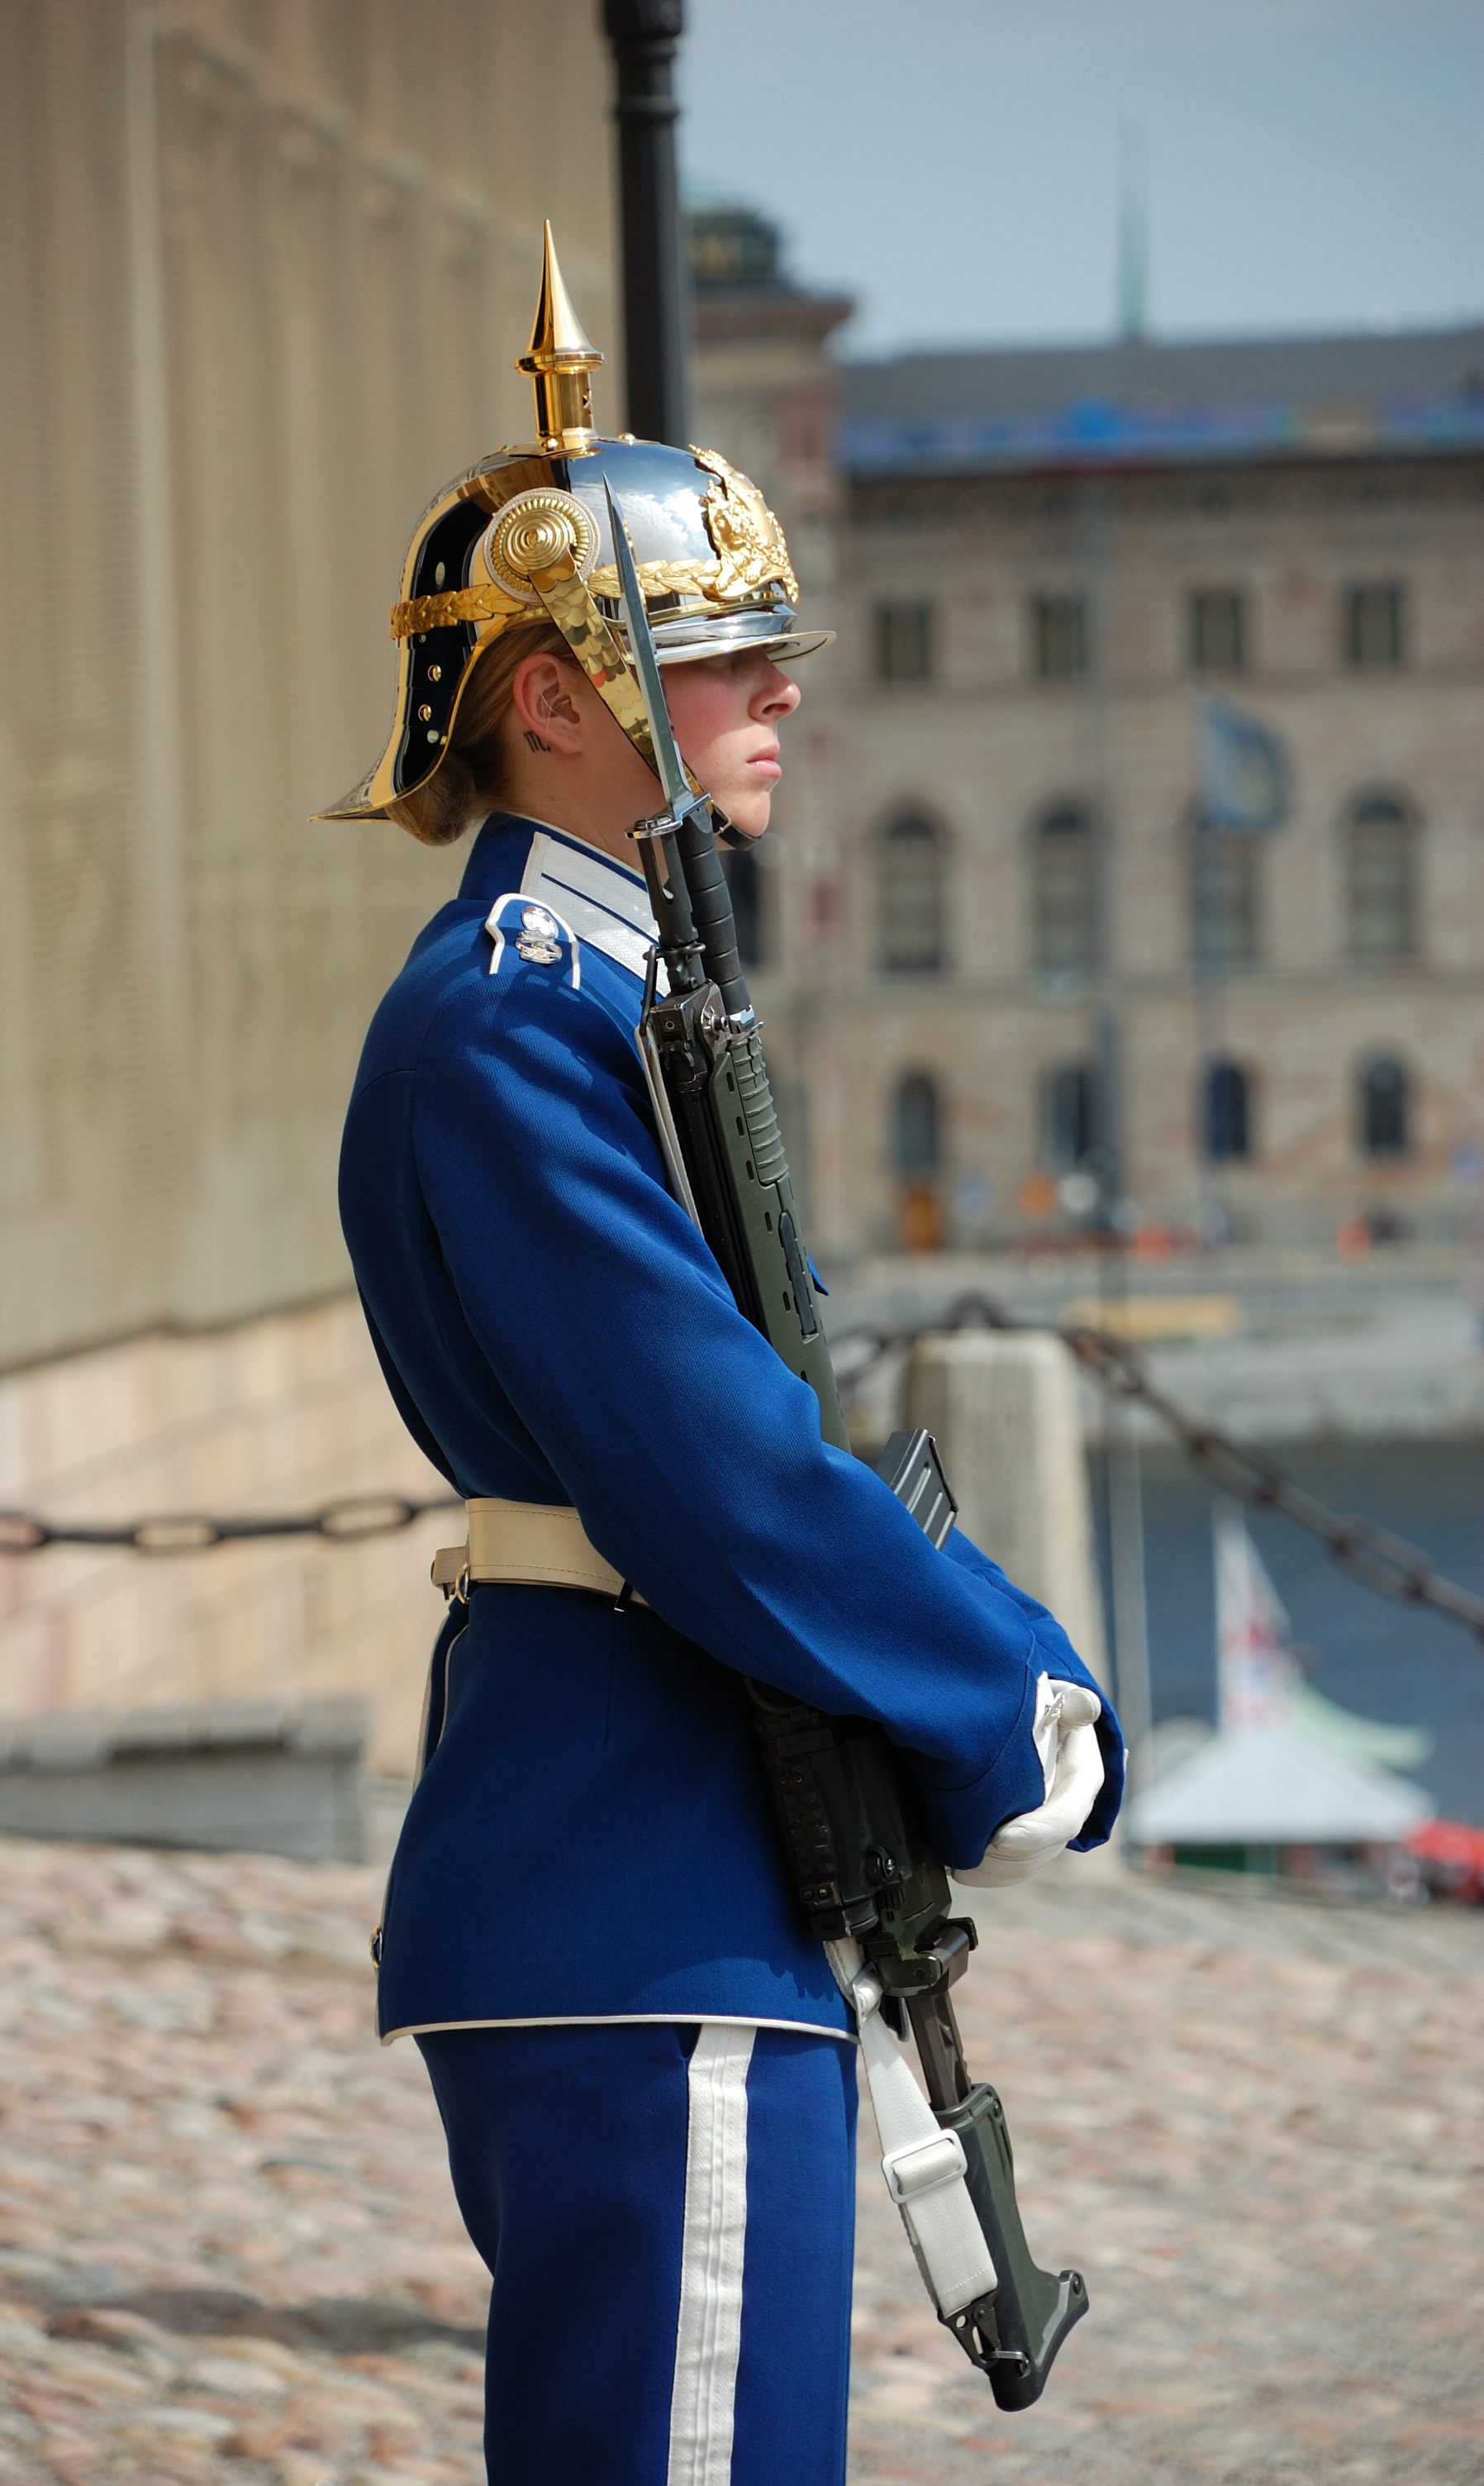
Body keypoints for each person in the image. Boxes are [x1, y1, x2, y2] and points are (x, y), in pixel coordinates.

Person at [326, 230, 1122, 2486]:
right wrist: (1008, 1700)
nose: (781, 693)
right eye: (722, 650)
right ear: (557, 698)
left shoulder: (582, 994)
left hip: (658, 1871)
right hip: (634, 1877)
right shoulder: (513, 1015)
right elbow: (713, 1473)